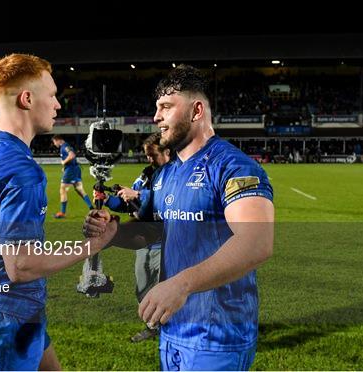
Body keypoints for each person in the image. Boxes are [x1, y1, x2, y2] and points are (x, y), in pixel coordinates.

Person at [83, 65, 274, 371]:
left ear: (197, 110)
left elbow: (257, 243)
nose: (156, 117)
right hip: (173, 330)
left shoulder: (234, 167)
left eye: (166, 107)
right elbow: (154, 232)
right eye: (156, 108)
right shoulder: (166, 174)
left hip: (217, 336)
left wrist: (181, 285)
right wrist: (112, 234)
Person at [0, 53, 116, 371]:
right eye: (51, 96)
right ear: (27, 99)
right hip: (8, 323)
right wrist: (93, 246)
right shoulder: (22, 171)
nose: (57, 105)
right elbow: (20, 266)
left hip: (6, 309)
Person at [103, 132, 171, 342]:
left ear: (166, 152)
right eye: (146, 155)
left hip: (166, 244)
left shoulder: (175, 174)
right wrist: (108, 199)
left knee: (165, 291)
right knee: (142, 288)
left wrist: (140, 196)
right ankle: (152, 327)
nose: (149, 159)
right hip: (143, 242)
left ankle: (170, 332)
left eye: (152, 155)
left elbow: (170, 201)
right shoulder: (145, 174)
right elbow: (127, 205)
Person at [51, 134, 93, 218]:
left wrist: (64, 162)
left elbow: (72, 155)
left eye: (54, 142)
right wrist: (65, 167)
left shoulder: (64, 146)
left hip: (71, 170)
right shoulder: (66, 146)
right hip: (75, 169)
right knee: (79, 190)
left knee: (62, 189)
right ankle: (92, 208)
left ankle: (62, 213)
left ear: (58, 140)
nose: (54, 144)